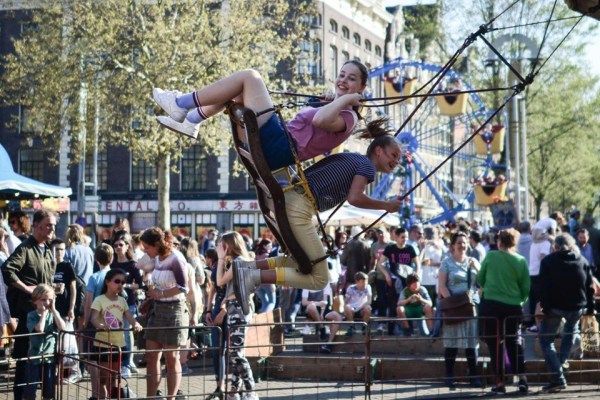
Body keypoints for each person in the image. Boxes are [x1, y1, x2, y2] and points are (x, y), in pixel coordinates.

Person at [231, 133, 402, 315]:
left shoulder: (353, 158)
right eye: (393, 155)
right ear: (378, 151)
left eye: (398, 159)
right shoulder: (367, 167)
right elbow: (354, 197)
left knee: (299, 260)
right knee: (320, 279)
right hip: (299, 209)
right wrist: (386, 206)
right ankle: (252, 277)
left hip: (290, 200)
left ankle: (248, 267)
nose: (396, 161)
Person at [153, 61, 371, 170]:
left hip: (281, 147)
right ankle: (192, 120)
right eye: (341, 75)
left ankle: (181, 104)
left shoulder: (349, 118)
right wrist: (332, 100)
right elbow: (311, 118)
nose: (343, 80)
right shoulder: (334, 105)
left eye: (351, 79)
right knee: (237, 89)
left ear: (361, 87)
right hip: (279, 142)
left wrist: (344, 100)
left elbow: (319, 120)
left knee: (250, 76)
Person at [2, 209, 57, 400]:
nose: (52, 229)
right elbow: (8, 269)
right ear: (36, 225)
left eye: (53, 225)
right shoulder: (25, 248)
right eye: (48, 224)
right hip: (28, 317)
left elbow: (47, 279)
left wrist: (54, 288)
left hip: (46, 316)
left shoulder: (48, 250)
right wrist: (27, 288)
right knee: (25, 364)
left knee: (46, 364)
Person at [538, 233, 595, 393]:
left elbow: (543, 287)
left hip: (555, 307)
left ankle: (558, 376)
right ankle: (560, 366)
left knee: (545, 340)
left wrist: (545, 307)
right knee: (569, 336)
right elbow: (589, 286)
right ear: (571, 246)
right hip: (577, 307)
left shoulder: (548, 261)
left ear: (555, 247)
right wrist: (590, 308)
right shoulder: (582, 261)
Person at [477, 228, 530, 394]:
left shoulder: (491, 256)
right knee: (513, 342)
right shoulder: (521, 260)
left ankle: (500, 383)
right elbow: (526, 288)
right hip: (512, 306)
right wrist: (519, 301)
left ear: (499, 241)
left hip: (491, 305)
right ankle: (522, 379)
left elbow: (480, 278)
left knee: (494, 344)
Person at [140, 227, 189, 400]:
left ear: (156, 244)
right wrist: (152, 292)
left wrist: (160, 294)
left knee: (171, 358)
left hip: (174, 310)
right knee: (151, 356)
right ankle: (151, 396)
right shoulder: (157, 258)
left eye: (147, 247)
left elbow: (183, 287)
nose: (145, 251)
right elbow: (139, 265)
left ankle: (171, 397)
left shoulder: (176, 258)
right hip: (157, 309)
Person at [215, 232, 259, 400]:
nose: (220, 248)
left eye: (222, 245)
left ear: (229, 245)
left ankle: (250, 389)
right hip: (242, 309)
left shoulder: (238, 263)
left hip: (238, 311)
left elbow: (219, 281)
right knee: (235, 352)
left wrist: (220, 259)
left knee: (236, 353)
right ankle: (235, 389)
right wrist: (227, 298)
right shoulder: (247, 261)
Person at [438, 232, 481, 390]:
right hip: (454, 307)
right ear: (452, 246)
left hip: (470, 307)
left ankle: (474, 375)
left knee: (471, 343)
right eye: (459, 243)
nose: (462, 245)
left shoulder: (473, 261)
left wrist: (477, 268)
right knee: (451, 342)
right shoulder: (446, 263)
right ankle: (449, 375)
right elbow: (442, 286)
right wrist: (453, 304)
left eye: (464, 243)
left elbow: (482, 282)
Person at [90, 269, 142, 399]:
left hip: (119, 344)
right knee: (103, 378)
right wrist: (101, 326)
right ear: (108, 282)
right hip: (103, 344)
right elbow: (94, 318)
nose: (120, 285)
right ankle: (104, 397)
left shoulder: (122, 300)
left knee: (114, 377)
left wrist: (136, 324)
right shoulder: (99, 299)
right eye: (117, 281)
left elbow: (129, 316)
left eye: (123, 282)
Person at [23, 284, 65, 400]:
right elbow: (39, 329)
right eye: (43, 300)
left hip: (49, 357)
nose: (47, 302)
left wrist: (54, 310)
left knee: (49, 388)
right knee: (30, 389)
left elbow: (63, 327)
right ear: (35, 301)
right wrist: (44, 315)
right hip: (34, 357)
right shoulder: (31, 315)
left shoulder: (53, 315)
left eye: (50, 300)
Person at [110, 233, 143, 377]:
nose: (118, 248)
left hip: (128, 303)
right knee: (117, 334)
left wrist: (126, 285)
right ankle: (121, 361)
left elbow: (140, 284)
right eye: (115, 245)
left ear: (127, 246)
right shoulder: (112, 264)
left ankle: (127, 363)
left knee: (126, 332)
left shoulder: (132, 264)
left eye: (120, 245)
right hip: (112, 303)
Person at [376, 227, 419, 335]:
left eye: (406, 237)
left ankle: (408, 329)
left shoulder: (410, 248)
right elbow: (380, 263)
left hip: (408, 281)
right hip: (394, 281)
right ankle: (391, 330)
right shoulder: (390, 248)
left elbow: (418, 264)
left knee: (408, 304)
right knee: (393, 305)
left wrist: (416, 276)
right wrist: (387, 275)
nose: (405, 239)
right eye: (402, 237)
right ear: (396, 237)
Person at [50, 238, 82, 384]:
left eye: (62, 249)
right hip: (50, 309)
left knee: (67, 343)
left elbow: (73, 288)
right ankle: (55, 372)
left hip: (64, 309)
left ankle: (75, 371)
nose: (59, 253)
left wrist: (71, 308)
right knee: (54, 343)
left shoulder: (67, 266)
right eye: (56, 249)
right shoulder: (48, 265)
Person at [204, 248, 227, 400]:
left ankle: (223, 388)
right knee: (218, 350)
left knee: (223, 350)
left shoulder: (232, 264)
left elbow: (233, 290)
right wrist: (208, 309)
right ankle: (220, 387)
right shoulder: (218, 266)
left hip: (227, 310)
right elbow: (213, 289)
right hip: (219, 308)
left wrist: (222, 310)